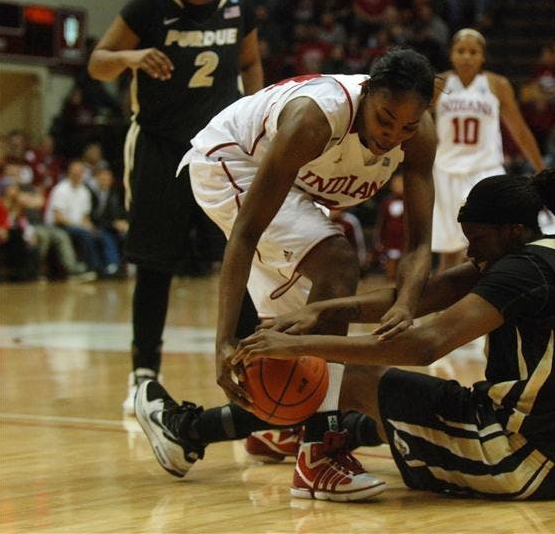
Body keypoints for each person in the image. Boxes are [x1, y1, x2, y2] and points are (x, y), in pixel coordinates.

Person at [145, 161, 555, 501]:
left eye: (477, 240)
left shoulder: (522, 272)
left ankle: (205, 433)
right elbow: (419, 296)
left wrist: (295, 344)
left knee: (355, 379)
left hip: (523, 459)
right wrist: (324, 311)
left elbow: (423, 344)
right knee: (375, 409)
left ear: (512, 231)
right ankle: (293, 431)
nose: (472, 252)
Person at [135, 48, 438, 501]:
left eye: (407, 127)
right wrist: (223, 342)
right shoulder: (315, 118)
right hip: (229, 164)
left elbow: (418, 244)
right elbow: (245, 234)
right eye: (385, 121)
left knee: (328, 362)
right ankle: (321, 453)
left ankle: (219, 429)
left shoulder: (419, 138)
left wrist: (406, 304)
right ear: (367, 93)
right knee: (338, 262)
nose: (393, 136)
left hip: (290, 187)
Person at [87, 0, 264, 414]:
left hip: (220, 150)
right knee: (154, 264)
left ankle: (253, 366)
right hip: (160, 148)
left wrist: (256, 115)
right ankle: (144, 372)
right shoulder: (149, 5)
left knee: (241, 257)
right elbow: (98, 59)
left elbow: (250, 63)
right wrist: (133, 57)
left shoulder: (236, 7)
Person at [432, 29, 545, 273]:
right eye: (461, 51)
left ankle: (488, 297)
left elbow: (520, 131)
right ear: (451, 55)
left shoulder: (497, 84)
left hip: (485, 171)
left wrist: (540, 168)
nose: (467, 57)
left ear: (483, 56)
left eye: (474, 52)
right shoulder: (438, 85)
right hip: (445, 170)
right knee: (449, 250)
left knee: (487, 244)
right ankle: (441, 307)